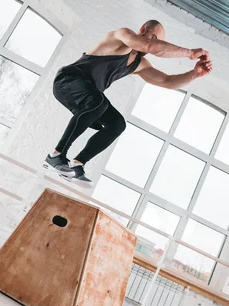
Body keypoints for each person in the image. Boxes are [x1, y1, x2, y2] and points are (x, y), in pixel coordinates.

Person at [44, 19, 213, 185]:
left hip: (88, 95)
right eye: (153, 37)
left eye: (159, 42)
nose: (154, 45)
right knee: (98, 103)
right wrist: (190, 53)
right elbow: (150, 47)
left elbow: (166, 81)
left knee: (117, 124)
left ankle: (77, 164)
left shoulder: (139, 64)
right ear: (143, 29)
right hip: (68, 80)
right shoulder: (122, 36)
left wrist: (194, 74)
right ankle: (56, 155)